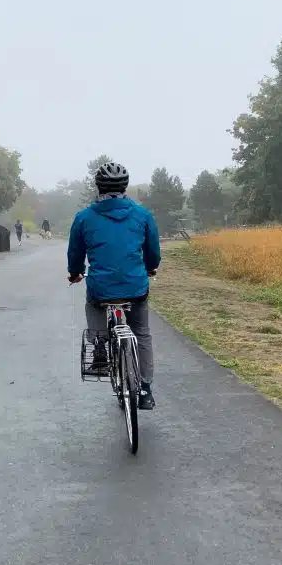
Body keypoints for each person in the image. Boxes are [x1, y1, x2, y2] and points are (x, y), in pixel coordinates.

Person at [67, 161, 161, 410]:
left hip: (101, 287)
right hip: (136, 286)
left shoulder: (84, 217)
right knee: (141, 332)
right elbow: (153, 251)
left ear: (98, 187)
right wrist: (151, 267)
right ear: (125, 186)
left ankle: (99, 348)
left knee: (94, 301)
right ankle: (145, 389)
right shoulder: (142, 214)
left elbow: (75, 253)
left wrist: (75, 273)